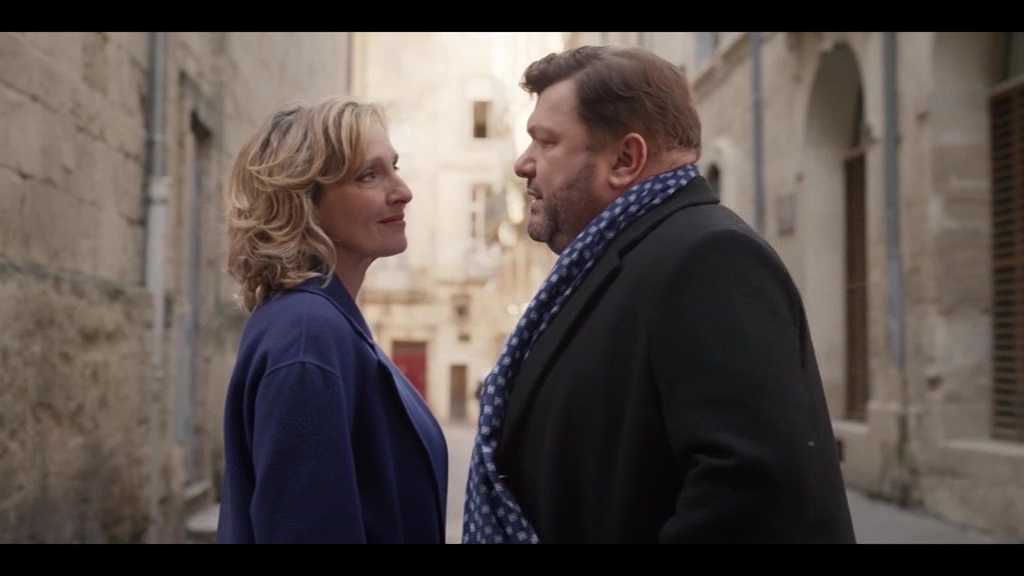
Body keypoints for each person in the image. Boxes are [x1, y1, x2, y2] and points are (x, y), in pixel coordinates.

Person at [463, 45, 856, 544]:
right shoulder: (619, 258)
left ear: (625, 160)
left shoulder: (711, 259)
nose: (524, 164)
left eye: (546, 142)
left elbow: (751, 492)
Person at [217, 96, 448, 544]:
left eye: (394, 167)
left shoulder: (323, 320)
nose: (402, 191)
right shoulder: (308, 333)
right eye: (369, 175)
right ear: (305, 202)